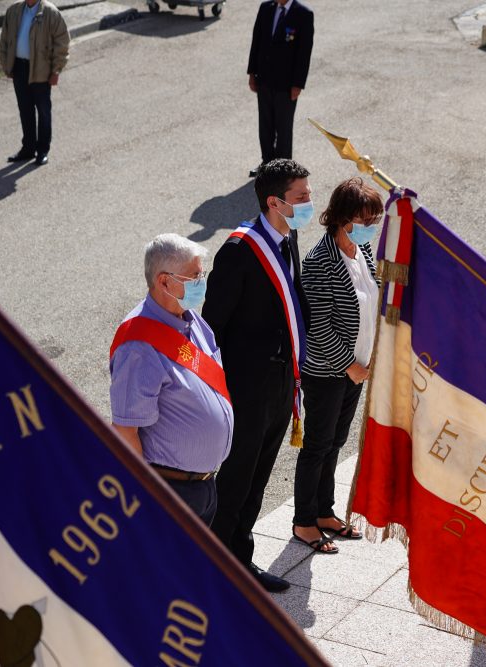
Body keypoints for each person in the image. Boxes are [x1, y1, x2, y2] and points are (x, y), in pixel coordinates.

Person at [203, 159, 313, 591]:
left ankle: (240, 560)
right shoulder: (239, 250)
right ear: (275, 202)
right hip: (246, 388)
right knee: (235, 478)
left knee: (260, 474)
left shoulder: (289, 237)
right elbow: (213, 327)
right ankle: (216, 566)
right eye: (301, 197)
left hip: (282, 382)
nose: (309, 204)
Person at [109, 234, 233, 525]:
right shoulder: (138, 346)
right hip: (170, 493)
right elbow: (126, 430)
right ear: (164, 282)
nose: (202, 281)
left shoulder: (192, 319)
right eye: (194, 276)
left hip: (203, 485)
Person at [293, 177, 381, 553]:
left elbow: (374, 293)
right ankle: (304, 521)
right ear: (344, 218)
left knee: (336, 442)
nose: (370, 227)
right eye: (366, 219)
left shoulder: (362, 250)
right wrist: (350, 365)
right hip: (330, 372)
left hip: (357, 369)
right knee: (317, 445)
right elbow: (320, 326)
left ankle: (325, 512)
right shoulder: (319, 262)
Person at [246, 0, 314, 177]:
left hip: (286, 84)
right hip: (265, 79)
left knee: (283, 127)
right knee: (265, 124)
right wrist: (252, 73)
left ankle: (283, 169)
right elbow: (257, 41)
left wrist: (298, 84)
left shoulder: (303, 14)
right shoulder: (266, 8)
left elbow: (304, 52)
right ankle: (267, 164)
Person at [0, 0, 69, 167]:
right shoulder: (14, 11)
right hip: (19, 68)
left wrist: (56, 70)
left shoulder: (51, 13)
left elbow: (62, 43)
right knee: (25, 110)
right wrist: (6, 64)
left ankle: (42, 151)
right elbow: (4, 40)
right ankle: (28, 149)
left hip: (41, 70)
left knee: (44, 111)